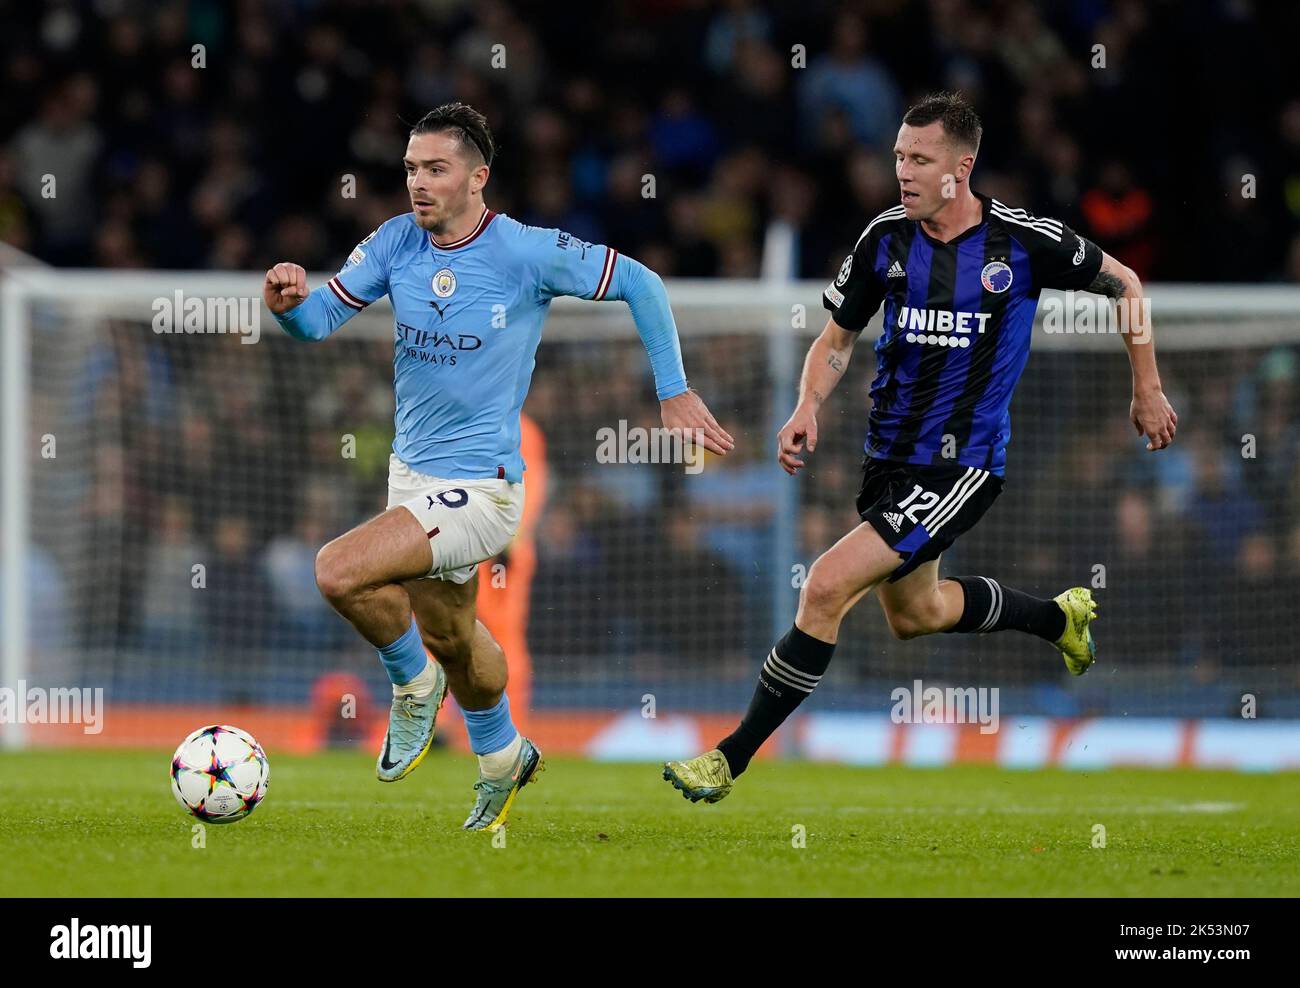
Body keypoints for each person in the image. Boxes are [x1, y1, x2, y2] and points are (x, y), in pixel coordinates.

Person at [664, 92, 1177, 804]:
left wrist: (1145, 388)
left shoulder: (1020, 241)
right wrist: (808, 403)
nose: (902, 170)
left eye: (919, 158)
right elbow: (837, 339)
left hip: (963, 464)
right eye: (899, 156)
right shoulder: (885, 238)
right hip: (889, 459)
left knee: (823, 587)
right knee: (917, 615)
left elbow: (1126, 283)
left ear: (960, 168)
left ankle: (728, 758)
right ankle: (1060, 618)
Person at [264, 103, 732, 831]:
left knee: (338, 570)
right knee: (454, 637)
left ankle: (412, 686)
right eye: (412, 169)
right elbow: (317, 322)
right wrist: (287, 305)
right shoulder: (393, 242)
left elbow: (642, 282)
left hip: (482, 487)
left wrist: (672, 391)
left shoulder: (526, 252)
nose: (418, 182)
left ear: (478, 178)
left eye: (436, 169)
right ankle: (503, 757)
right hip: (411, 476)